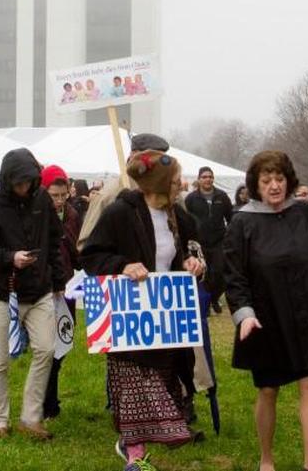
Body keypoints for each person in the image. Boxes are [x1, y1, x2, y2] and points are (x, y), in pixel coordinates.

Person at [82, 150, 206, 470]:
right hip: (129, 317)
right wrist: (122, 265)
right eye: (176, 180)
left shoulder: (177, 216)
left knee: (162, 381)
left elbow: (191, 249)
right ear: (159, 185)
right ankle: (135, 454)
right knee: (135, 385)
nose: (181, 184)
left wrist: (193, 264)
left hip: (166, 316)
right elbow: (92, 256)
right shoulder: (120, 214)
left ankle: (134, 443)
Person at [225, 150, 308, 471]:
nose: (275, 186)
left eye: (279, 179)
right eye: (267, 180)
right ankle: (266, 459)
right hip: (265, 317)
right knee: (268, 389)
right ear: (256, 184)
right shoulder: (242, 222)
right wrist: (244, 314)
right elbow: (234, 276)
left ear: (289, 180)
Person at [0, 148, 67, 441]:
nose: (25, 188)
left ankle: (30, 417)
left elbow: (54, 239)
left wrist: (58, 277)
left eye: (29, 182)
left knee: (47, 350)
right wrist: (10, 257)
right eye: (20, 183)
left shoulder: (41, 200)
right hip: (3, 293)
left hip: (40, 291)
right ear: (8, 179)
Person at [39, 164, 81, 419]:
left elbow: (78, 252)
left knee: (63, 341)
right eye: (54, 195)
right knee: (46, 346)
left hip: (66, 288)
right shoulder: (36, 216)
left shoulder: (73, 215)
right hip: (43, 288)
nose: (59, 200)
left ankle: (50, 397)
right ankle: (46, 401)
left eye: (63, 195)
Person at [184, 166, 234, 315]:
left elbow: (231, 218)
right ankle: (205, 304)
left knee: (220, 272)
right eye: (204, 177)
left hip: (219, 241)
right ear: (199, 179)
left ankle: (214, 298)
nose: (208, 179)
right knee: (202, 274)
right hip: (199, 243)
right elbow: (186, 220)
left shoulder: (222, 196)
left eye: (210, 177)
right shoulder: (191, 198)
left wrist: (229, 236)